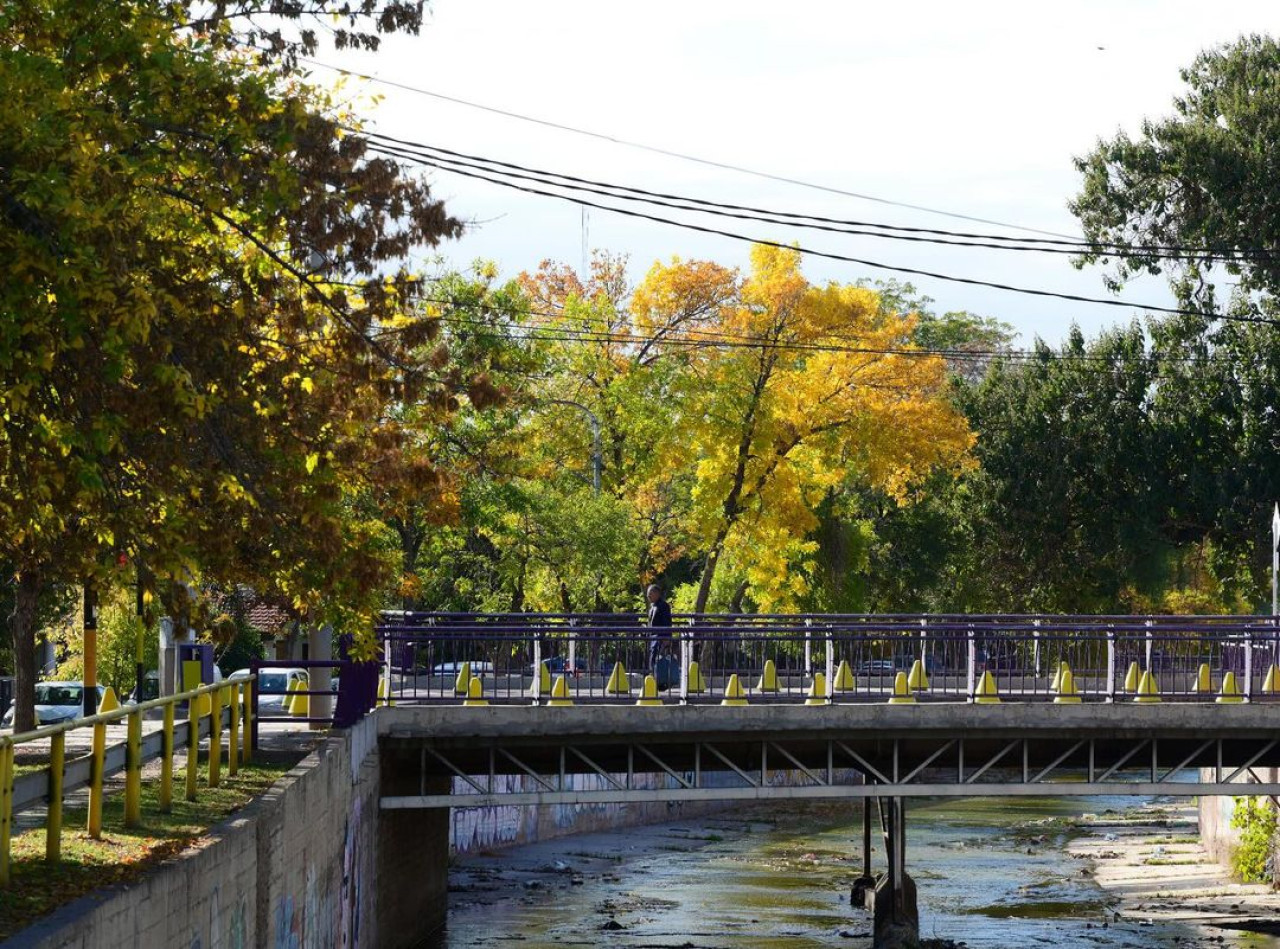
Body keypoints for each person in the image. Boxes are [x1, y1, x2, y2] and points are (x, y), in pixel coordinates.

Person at [646, 583, 673, 670]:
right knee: (653, 658)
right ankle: (652, 676)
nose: (648, 595)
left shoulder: (663, 606)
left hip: (660, 636)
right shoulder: (652, 607)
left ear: (657, 594)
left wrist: (667, 637)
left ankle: (658, 679)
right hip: (653, 637)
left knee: (658, 659)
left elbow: (667, 621)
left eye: (650, 593)